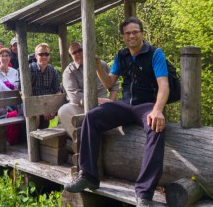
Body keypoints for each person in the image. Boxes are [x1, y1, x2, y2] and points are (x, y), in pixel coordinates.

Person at [64, 18, 170, 207]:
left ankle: (144, 194)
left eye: (135, 32)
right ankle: (88, 175)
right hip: (125, 104)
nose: (132, 35)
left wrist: (158, 110)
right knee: (92, 117)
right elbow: (109, 83)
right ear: (123, 36)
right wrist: (97, 65)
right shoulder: (121, 56)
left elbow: (164, 86)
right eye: (128, 33)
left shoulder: (155, 54)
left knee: (156, 128)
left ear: (142, 33)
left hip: (146, 105)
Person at [58, 41, 119, 138]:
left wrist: (111, 101)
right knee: (63, 111)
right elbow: (75, 97)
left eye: (80, 50)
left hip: (103, 106)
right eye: (74, 53)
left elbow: (114, 85)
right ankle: (81, 142)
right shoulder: (69, 72)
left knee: (122, 111)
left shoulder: (101, 64)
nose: (78, 54)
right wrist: (98, 100)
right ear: (71, 56)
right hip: (80, 107)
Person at [29, 43, 61, 129]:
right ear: (36, 56)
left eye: (46, 54)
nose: (44, 56)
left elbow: (57, 91)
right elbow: (27, 93)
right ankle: (33, 141)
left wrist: (53, 108)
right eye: (41, 54)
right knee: (35, 116)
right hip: (32, 103)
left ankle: (58, 139)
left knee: (64, 111)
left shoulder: (53, 71)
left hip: (48, 103)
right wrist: (40, 109)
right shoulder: (29, 70)